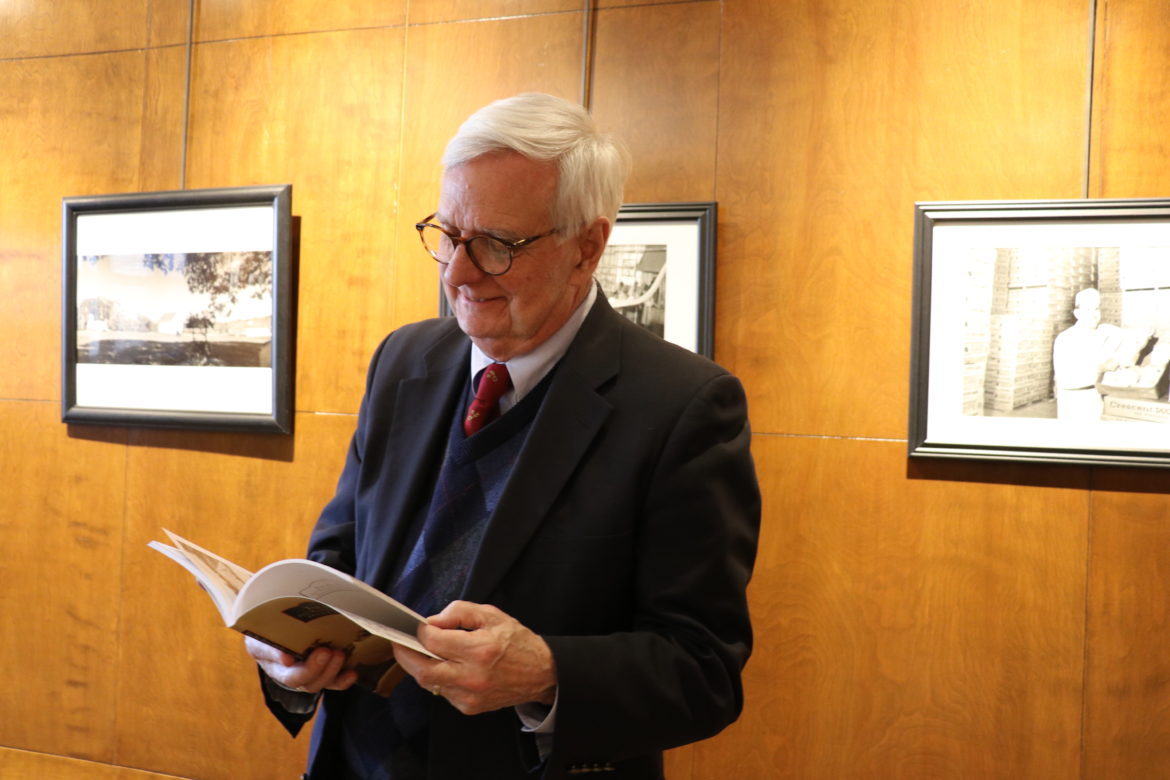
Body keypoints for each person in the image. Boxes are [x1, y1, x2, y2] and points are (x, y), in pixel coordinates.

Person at [247, 92, 761, 779]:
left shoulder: (683, 407)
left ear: (589, 246)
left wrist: (547, 673)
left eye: (496, 245)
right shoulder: (404, 361)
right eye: (449, 235)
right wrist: (292, 651)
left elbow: (704, 672)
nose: (458, 272)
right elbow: (341, 557)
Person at [1052, 287, 1150, 420]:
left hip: (1097, 398)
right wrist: (1099, 369)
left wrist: (1142, 339)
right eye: (1088, 309)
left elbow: (1137, 335)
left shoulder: (1104, 331)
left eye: (1096, 309)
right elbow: (1066, 380)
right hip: (1074, 401)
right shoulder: (1066, 338)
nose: (1093, 314)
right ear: (1077, 313)